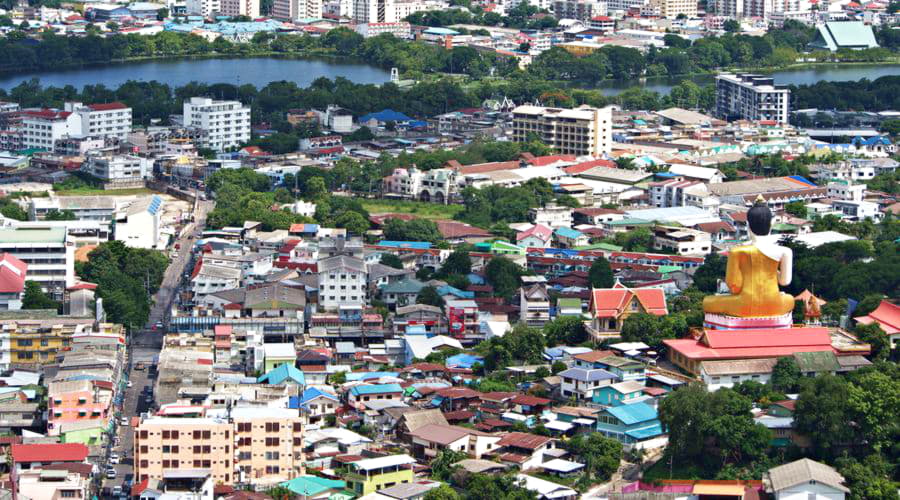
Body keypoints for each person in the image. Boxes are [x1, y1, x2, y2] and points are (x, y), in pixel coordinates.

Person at [702, 196, 795, 318]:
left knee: (708, 301)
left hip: (743, 305)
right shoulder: (785, 251)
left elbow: (734, 287)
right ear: (771, 224)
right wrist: (771, 270)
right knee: (789, 299)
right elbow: (784, 281)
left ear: (747, 225)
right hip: (774, 304)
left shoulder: (737, 251)